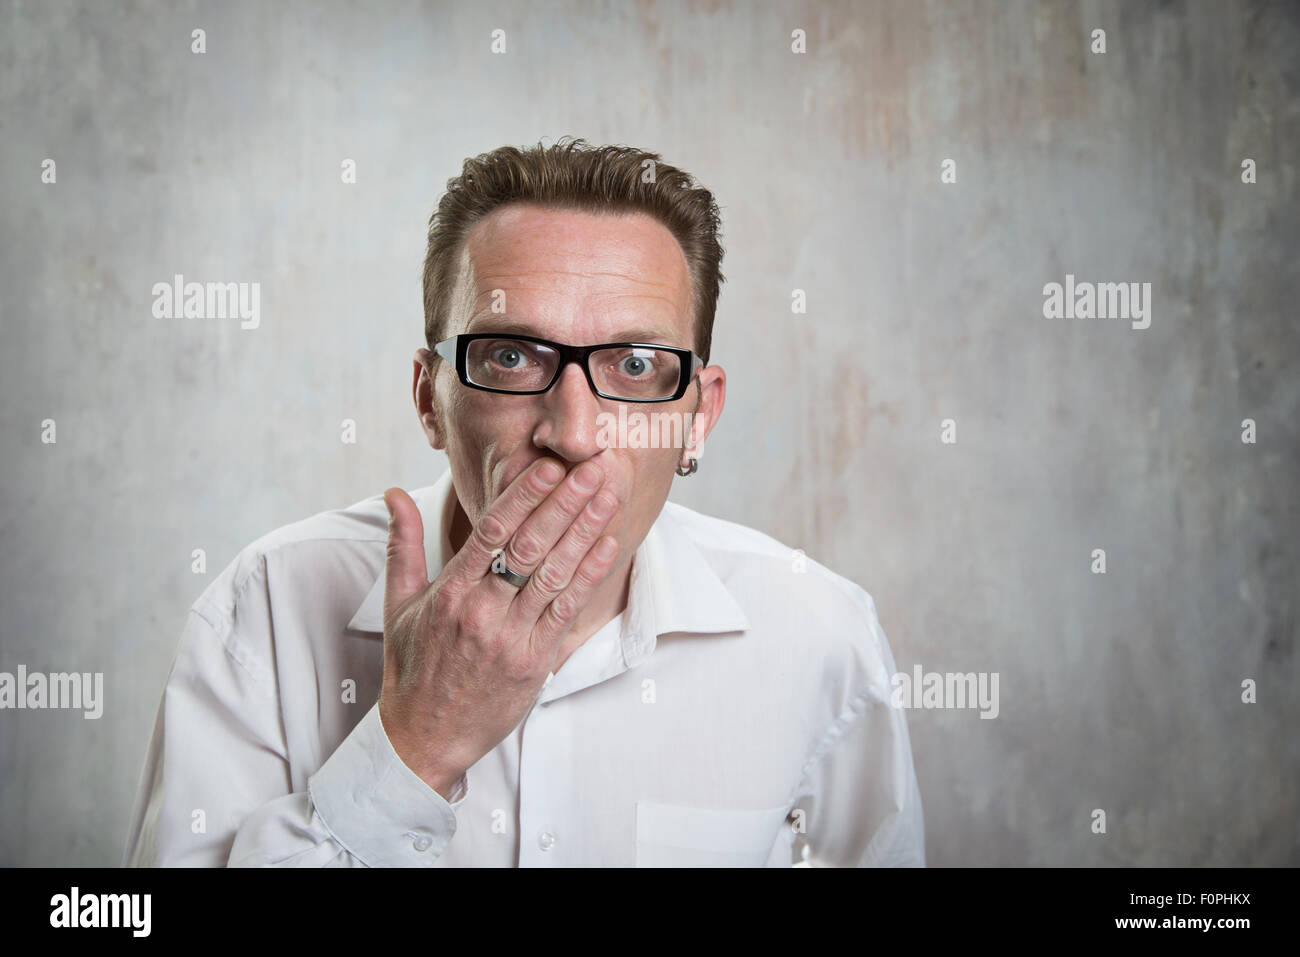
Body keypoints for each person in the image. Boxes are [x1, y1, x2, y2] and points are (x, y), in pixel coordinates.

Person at [123, 137, 925, 867]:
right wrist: (411, 750)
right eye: (511, 355)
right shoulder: (263, 611)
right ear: (429, 399)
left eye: (636, 365)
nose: (574, 432)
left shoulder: (821, 639)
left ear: (698, 416)